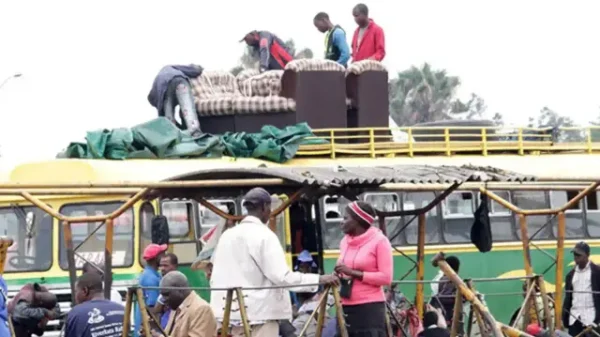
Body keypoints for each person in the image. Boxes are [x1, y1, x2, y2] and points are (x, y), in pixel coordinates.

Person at [211, 187, 339, 337]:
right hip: (258, 317)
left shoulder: (227, 235)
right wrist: (318, 279)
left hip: (226, 315)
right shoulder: (265, 236)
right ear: (265, 207)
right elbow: (282, 277)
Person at [333, 201, 393, 337]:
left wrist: (353, 272)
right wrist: (337, 274)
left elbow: (386, 278)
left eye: (345, 218)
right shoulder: (344, 242)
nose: (341, 222)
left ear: (358, 220)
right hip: (345, 305)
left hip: (369, 308)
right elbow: (343, 267)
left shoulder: (380, 241)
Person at [153, 271, 216, 337]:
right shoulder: (176, 306)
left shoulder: (202, 309)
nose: (163, 300)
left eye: (166, 295)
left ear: (180, 290)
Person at [148, 64, 203, 136]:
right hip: (179, 81)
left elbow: (163, 118)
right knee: (188, 109)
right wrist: (198, 69)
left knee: (169, 120)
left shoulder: (157, 92)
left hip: (167, 86)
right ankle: (196, 134)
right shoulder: (169, 69)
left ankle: (173, 137)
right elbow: (191, 70)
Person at [64, 272, 125, 337]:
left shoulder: (76, 314)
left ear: (85, 290)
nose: (75, 296)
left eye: (76, 291)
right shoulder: (122, 310)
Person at [563, 241, 600, 337]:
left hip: (591, 320)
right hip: (574, 319)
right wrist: (565, 318)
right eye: (575, 254)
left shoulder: (597, 272)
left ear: (587, 255)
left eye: (579, 254)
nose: (576, 257)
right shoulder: (570, 275)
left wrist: (597, 321)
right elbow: (568, 298)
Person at [134, 243, 168, 337]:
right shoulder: (151, 279)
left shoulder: (153, 274)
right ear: (156, 258)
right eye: (162, 254)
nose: (164, 256)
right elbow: (152, 309)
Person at [430, 256, 462, 331]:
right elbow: (446, 298)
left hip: (441, 313)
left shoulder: (440, 279)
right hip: (449, 314)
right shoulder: (451, 281)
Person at [154, 253, 179, 330]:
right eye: (161, 265)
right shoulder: (163, 282)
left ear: (175, 266)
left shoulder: (178, 283)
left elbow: (157, 308)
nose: (162, 268)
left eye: (165, 265)